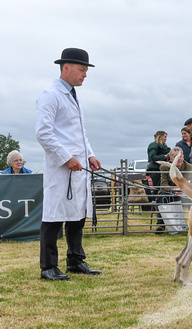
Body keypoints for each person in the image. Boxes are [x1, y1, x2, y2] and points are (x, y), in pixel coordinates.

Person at [35, 48, 102, 280]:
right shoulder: (50, 95)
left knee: (78, 214)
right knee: (54, 216)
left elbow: (80, 133)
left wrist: (89, 155)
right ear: (67, 68)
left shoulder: (74, 96)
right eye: (82, 70)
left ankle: (75, 260)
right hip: (61, 169)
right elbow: (43, 133)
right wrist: (66, 157)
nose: (85, 75)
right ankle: (48, 267)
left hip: (79, 168)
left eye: (85, 70)